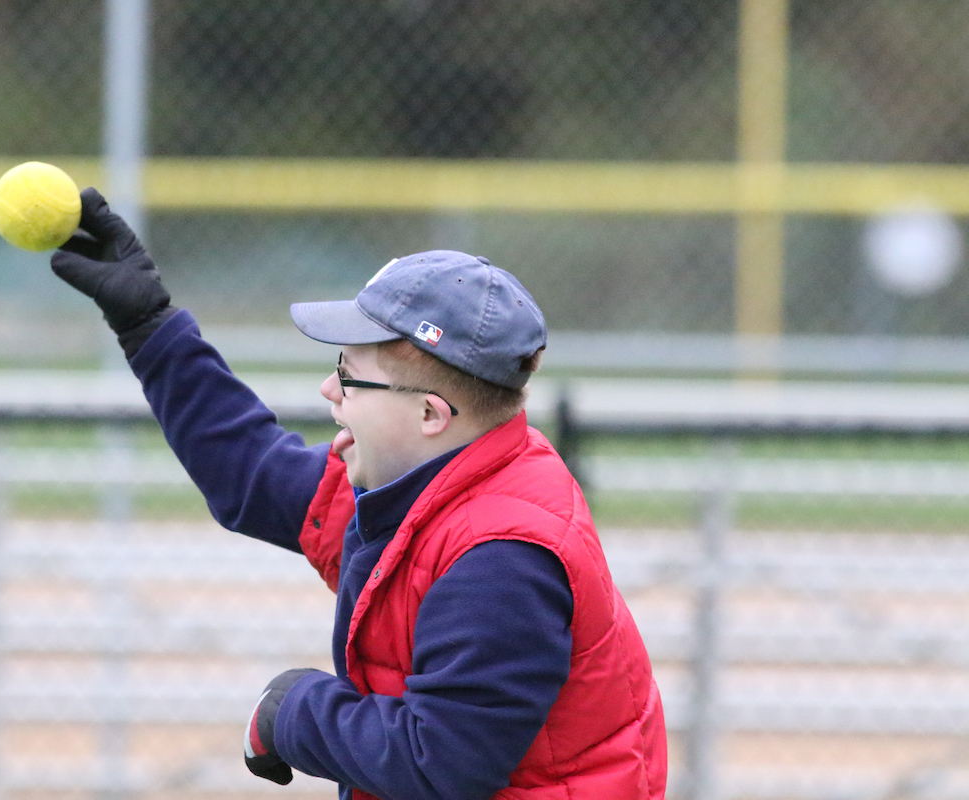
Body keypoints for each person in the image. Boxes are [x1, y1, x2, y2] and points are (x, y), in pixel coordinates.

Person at [51, 188, 668, 800]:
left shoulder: (502, 556)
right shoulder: (424, 484)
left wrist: (293, 713)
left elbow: (440, 764)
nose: (330, 387)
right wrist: (148, 324)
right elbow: (251, 473)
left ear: (431, 412)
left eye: (350, 373)